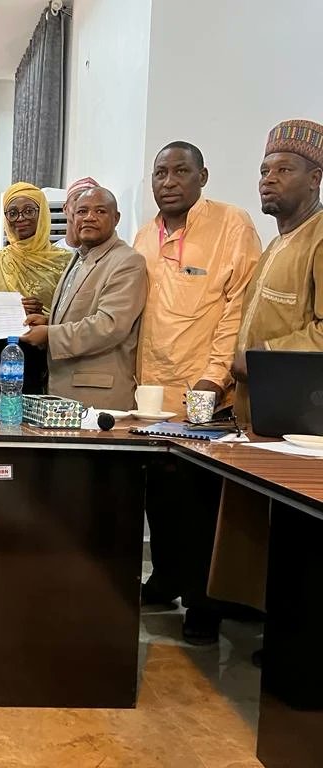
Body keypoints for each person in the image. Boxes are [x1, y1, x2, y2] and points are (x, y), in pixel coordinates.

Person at [133, 141, 262, 645]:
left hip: (207, 396)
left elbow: (238, 308)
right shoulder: (145, 236)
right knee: (159, 496)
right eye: (160, 172)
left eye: (180, 171)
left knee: (201, 502)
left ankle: (205, 603)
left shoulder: (232, 224)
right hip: (151, 396)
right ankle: (167, 577)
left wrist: (213, 378)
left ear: (202, 176)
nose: (168, 181)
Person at [209, 118, 323, 616]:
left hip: (299, 424)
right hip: (258, 415)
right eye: (263, 170)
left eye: (284, 169)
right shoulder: (278, 242)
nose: (268, 179)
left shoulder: (319, 237)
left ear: (316, 178)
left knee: (295, 546)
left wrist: (257, 359)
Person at [22, 188, 146, 409]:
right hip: (63, 392)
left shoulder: (127, 261)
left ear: (116, 218)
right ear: (72, 217)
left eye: (100, 211)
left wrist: (50, 335)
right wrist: (48, 323)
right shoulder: (78, 258)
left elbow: (109, 325)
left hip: (97, 398)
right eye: (82, 211)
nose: (89, 217)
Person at [0, 182, 71, 402]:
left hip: (56, 362)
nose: (21, 218)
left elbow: (75, 316)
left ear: (43, 213)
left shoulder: (65, 262)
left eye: (29, 210)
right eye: (13, 213)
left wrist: (45, 319)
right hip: (8, 364)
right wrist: (12, 310)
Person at [54, 176, 99, 253]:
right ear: (65, 208)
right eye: (78, 199)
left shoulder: (107, 256)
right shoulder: (51, 254)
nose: (84, 205)